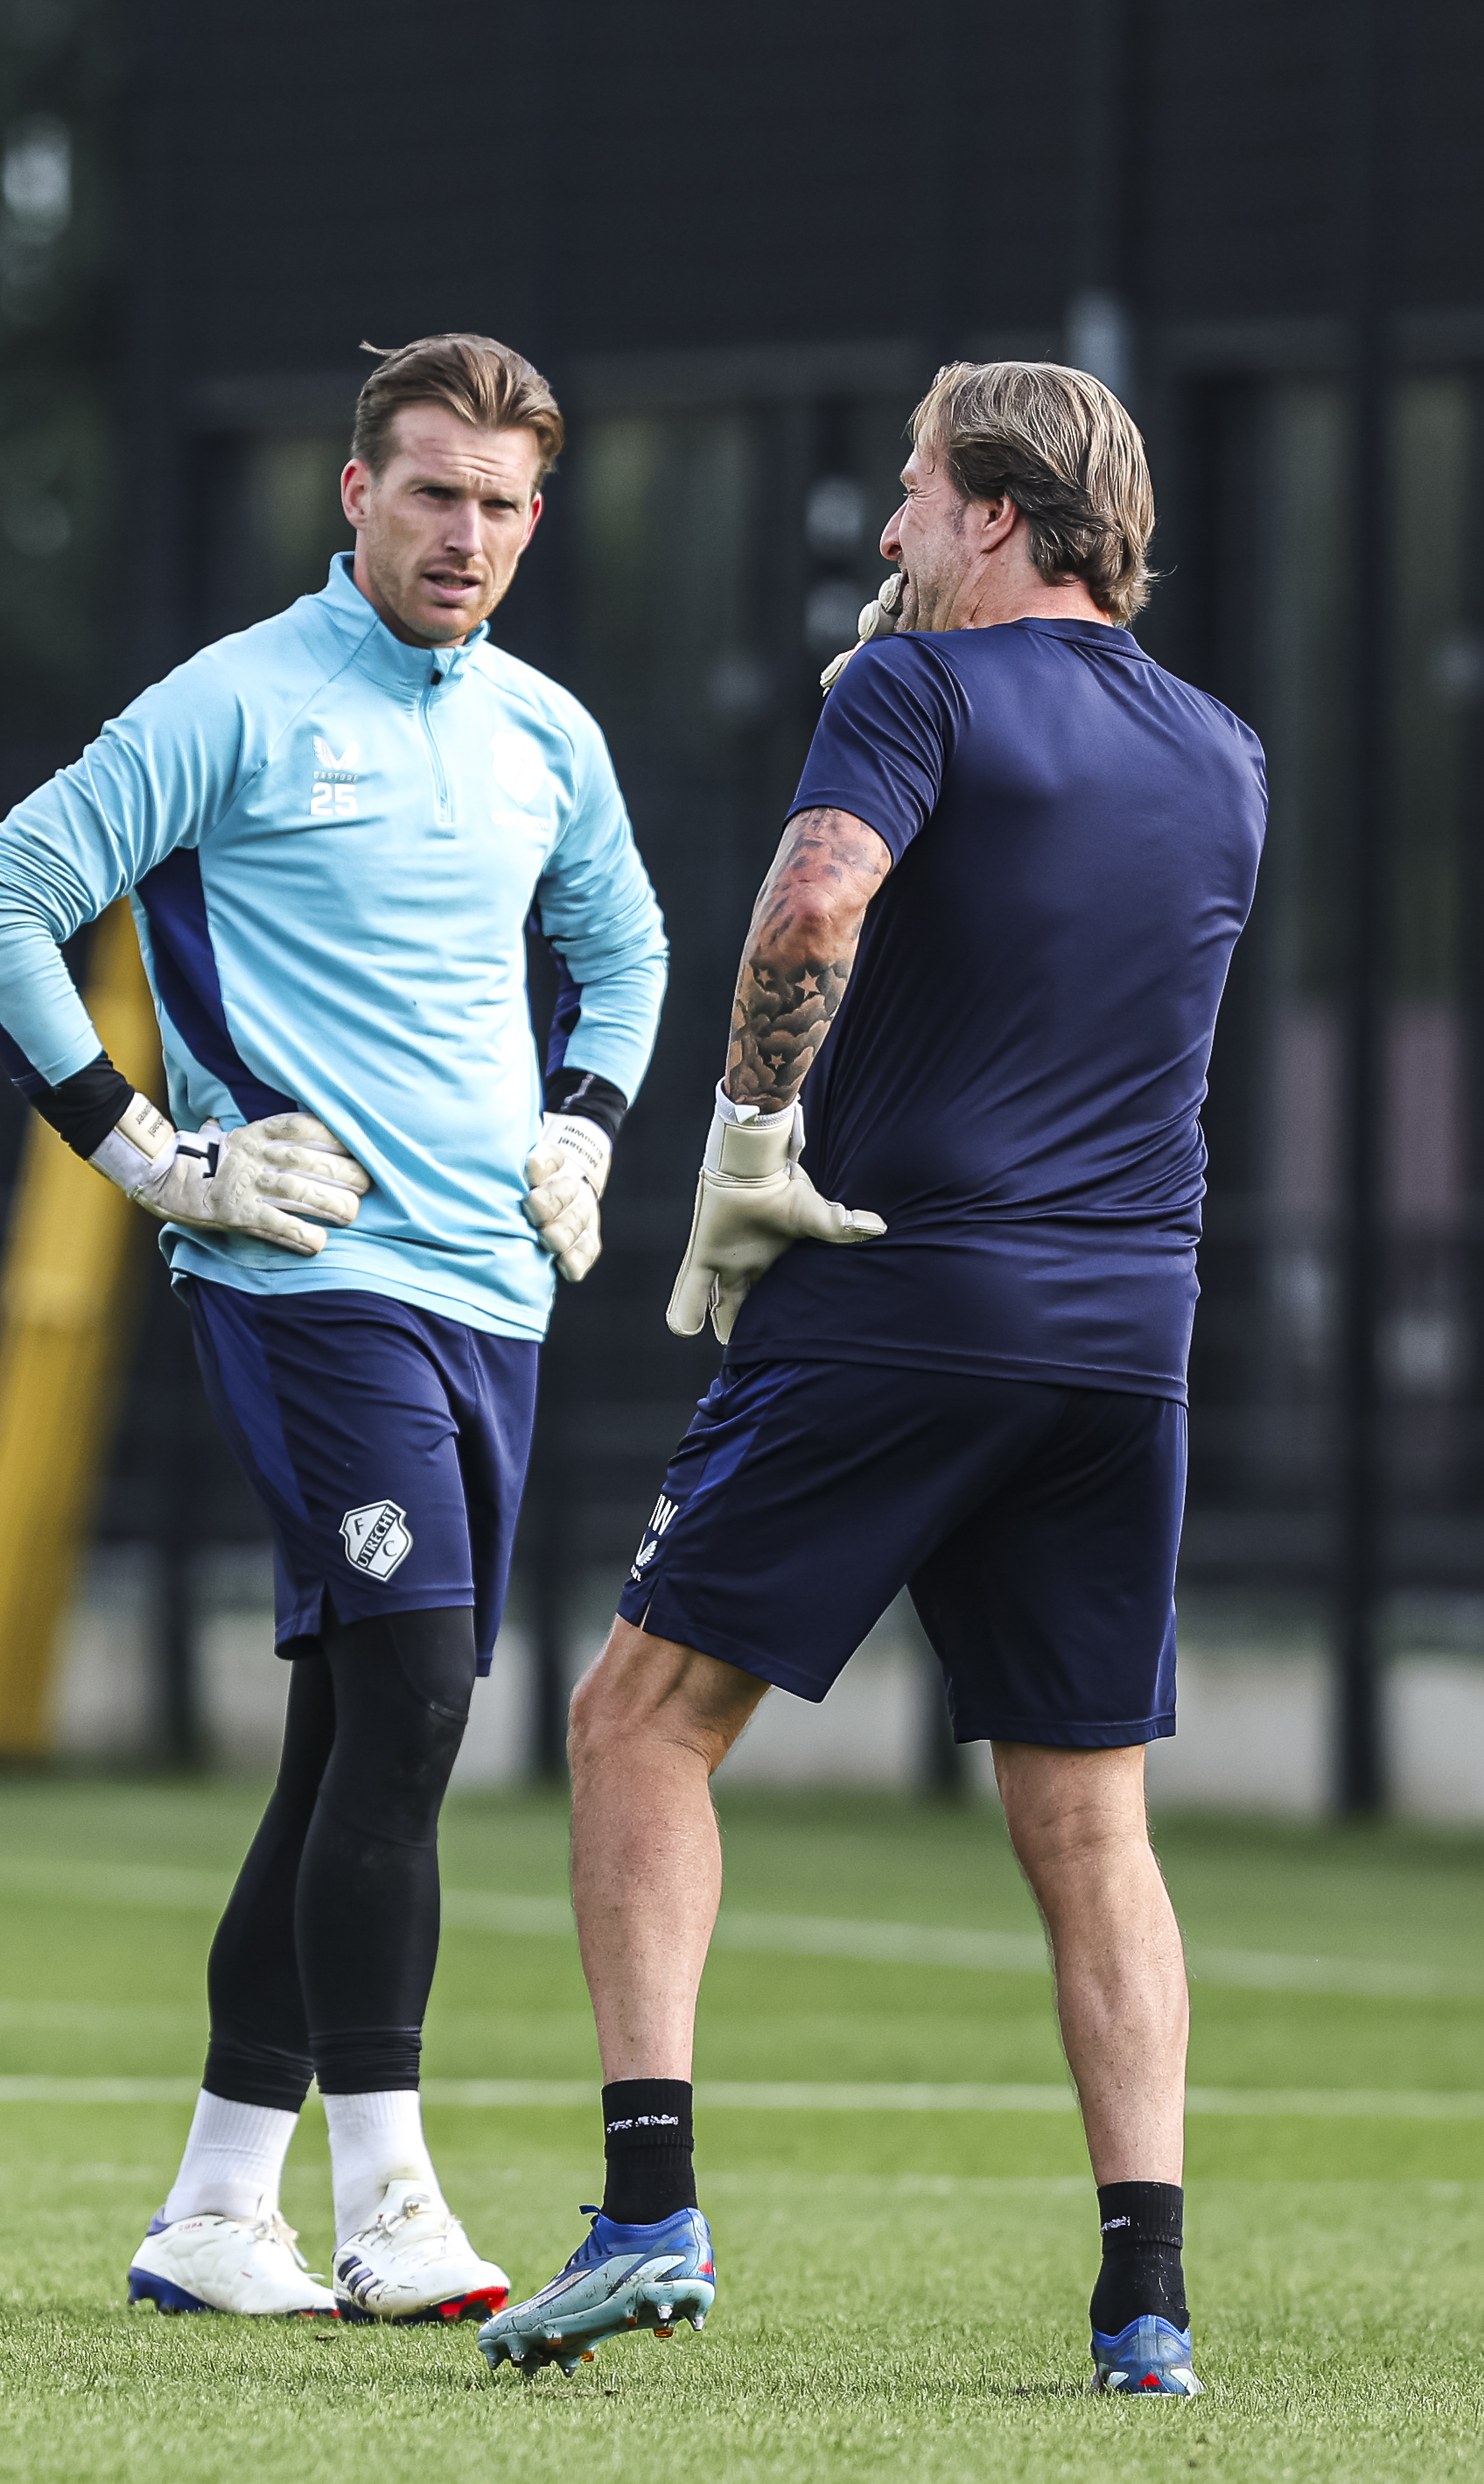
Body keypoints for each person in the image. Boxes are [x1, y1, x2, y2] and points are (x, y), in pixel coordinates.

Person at [476, 361, 1264, 2396]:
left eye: (913, 495)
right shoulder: (1226, 751)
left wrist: (745, 1142)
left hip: (905, 1294)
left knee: (637, 1721)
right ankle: (1146, 2306)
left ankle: (646, 2211)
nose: (890, 530)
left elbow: (816, 898)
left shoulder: (911, 688)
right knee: (1089, 1821)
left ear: (995, 515)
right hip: (1128, 1333)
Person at [0, 334, 669, 2323]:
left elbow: (626, 946)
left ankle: (211, 2210)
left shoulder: (545, 732)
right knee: (417, 1697)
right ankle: (391, 2203)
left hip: (492, 1294)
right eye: (433, 492)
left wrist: (589, 1124)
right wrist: (154, 1158)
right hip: (303, 1278)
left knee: (357, 1733)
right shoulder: (237, 700)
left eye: (503, 503)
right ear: (356, 494)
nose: (467, 534)